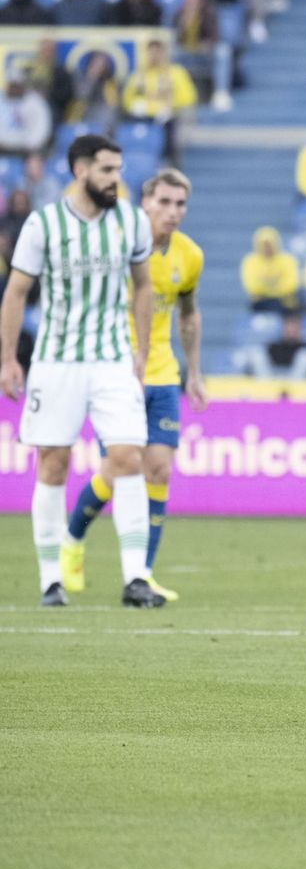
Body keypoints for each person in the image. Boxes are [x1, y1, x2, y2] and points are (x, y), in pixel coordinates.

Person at [0, 135, 161, 608]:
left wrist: (142, 350)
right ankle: (51, 579)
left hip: (113, 360)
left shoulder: (131, 221)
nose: (117, 179)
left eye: (119, 169)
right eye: (107, 170)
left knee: (129, 456)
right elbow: (15, 293)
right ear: (80, 171)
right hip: (56, 361)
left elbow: (144, 286)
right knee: (53, 462)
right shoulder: (43, 224)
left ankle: (136, 578)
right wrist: (8, 358)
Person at [64, 170, 205, 603]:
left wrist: (193, 371)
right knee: (121, 465)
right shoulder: (117, 244)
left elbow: (188, 314)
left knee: (158, 470)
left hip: (162, 373)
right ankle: (71, 539)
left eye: (180, 204)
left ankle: (140, 575)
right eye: (164, 201)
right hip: (115, 371)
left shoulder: (189, 256)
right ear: (145, 201)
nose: (172, 212)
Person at [245, 313, 306, 380]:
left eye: (294, 326)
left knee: (305, 356)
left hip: (299, 390)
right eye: (288, 326)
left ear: (300, 328)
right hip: (270, 385)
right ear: (283, 328)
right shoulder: (273, 347)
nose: (291, 330)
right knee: (257, 353)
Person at [240, 226, 300, 312]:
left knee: (293, 306)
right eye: (264, 245)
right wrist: (275, 287)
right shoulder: (250, 261)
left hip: (284, 301)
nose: (267, 248)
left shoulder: (287, 260)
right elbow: (252, 286)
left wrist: (267, 287)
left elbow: (291, 284)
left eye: (269, 244)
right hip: (260, 301)